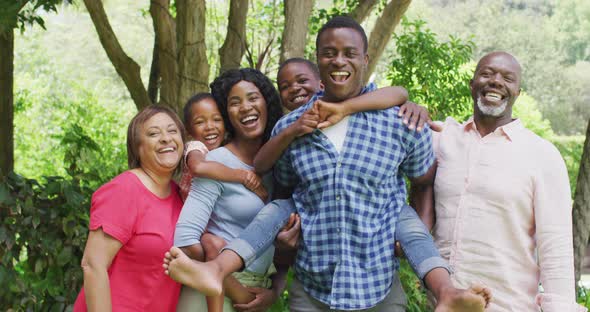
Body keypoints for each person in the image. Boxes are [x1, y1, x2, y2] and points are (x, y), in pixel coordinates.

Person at [164, 17, 490, 312]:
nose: (339, 61)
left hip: (377, 286)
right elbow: (285, 186)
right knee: (278, 206)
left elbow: (423, 179)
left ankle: (446, 291)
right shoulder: (291, 127)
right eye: (329, 53)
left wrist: (416, 227)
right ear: (318, 59)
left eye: (350, 53)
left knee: (406, 218)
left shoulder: (401, 120)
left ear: (365, 59)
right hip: (313, 289)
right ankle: (217, 269)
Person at [428, 51, 587, 312]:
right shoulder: (443, 140)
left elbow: (555, 247)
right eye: (487, 74)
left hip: (510, 306)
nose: (496, 81)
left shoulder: (542, 155)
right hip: (443, 305)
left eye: (507, 78)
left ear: (518, 92)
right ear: (472, 84)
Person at [173, 68, 289, 312]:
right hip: (215, 296)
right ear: (227, 114)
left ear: (267, 102)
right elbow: (185, 241)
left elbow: (280, 251)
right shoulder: (217, 163)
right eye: (235, 102)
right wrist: (237, 290)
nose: (245, 107)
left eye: (253, 98)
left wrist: (273, 293)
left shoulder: (282, 166)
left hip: (258, 296)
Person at [73, 106, 185, 311]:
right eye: (153, 133)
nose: (165, 138)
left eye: (172, 131)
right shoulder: (124, 190)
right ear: (137, 147)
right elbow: (93, 265)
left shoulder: (181, 196)